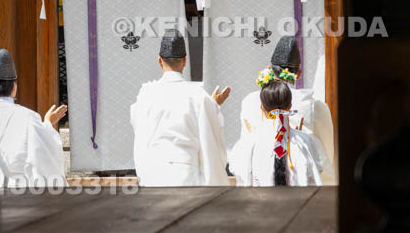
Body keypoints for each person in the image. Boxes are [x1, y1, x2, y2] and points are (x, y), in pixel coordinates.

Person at [129, 29, 231, 186]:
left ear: (159, 61)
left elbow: (141, 131)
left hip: (153, 173)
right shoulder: (198, 95)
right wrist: (213, 106)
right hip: (185, 175)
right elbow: (210, 137)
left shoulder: (146, 94)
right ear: (185, 61)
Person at [237, 35, 336, 183]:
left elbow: (244, 145)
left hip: (258, 173)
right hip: (301, 174)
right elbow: (327, 150)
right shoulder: (314, 106)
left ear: (270, 69)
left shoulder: (249, 101)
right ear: (299, 73)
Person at [231, 79, 333, 186]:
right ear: (290, 106)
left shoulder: (247, 143)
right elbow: (316, 171)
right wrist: (298, 137)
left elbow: (237, 170)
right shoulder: (305, 141)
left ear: (262, 108)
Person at [0, 48, 68, 187]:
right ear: (14, 87)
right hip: (16, 195)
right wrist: (46, 125)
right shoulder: (28, 117)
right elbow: (44, 161)